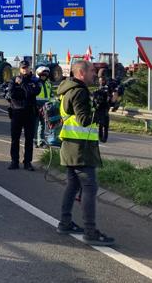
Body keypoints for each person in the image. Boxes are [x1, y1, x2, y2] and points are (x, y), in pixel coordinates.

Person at [57, 60, 115, 246]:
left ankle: (65, 223)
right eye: (92, 71)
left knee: (72, 185)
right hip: (81, 149)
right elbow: (84, 120)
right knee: (89, 188)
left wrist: (105, 104)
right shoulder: (79, 92)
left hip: (71, 146)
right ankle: (90, 231)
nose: (95, 74)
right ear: (81, 73)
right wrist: (100, 109)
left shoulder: (68, 89)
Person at [5, 60, 41, 170]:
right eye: (23, 68)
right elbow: (11, 94)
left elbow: (33, 92)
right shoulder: (13, 80)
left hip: (30, 113)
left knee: (29, 139)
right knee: (15, 138)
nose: (25, 70)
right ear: (20, 69)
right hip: (16, 112)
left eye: (26, 67)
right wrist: (25, 92)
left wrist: (22, 84)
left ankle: (27, 163)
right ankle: (14, 161)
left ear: (30, 68)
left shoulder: (34, 80)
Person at [35, 66, 53, 147]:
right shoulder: (35, 83)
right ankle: (34, 142)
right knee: (34, 125)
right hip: (36, 105)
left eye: (45, 75)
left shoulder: (48, 83)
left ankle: (41, 142)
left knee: (43, 125)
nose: (44, 76)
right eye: (42, 75)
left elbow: (51, 94)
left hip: (45, 107)